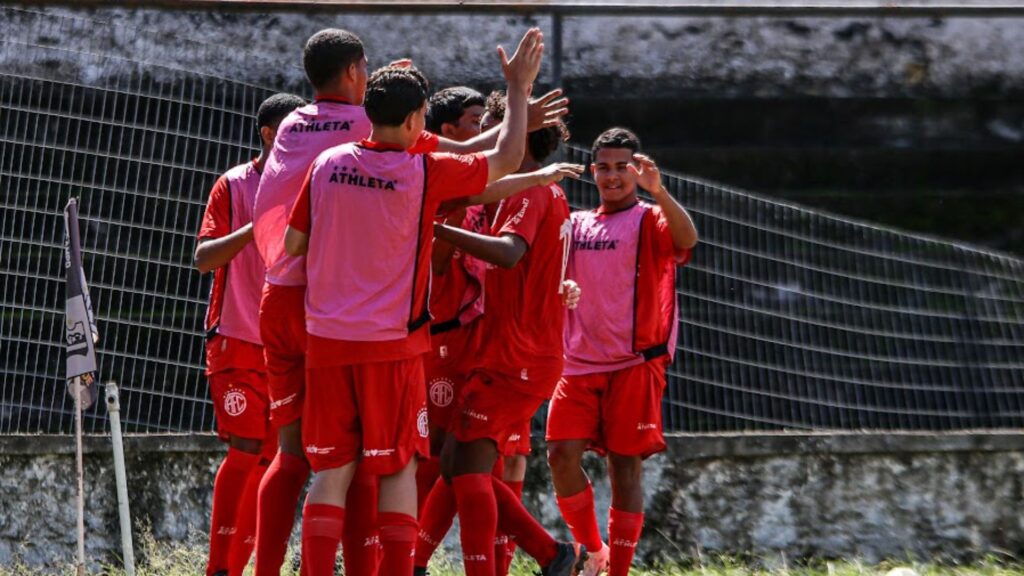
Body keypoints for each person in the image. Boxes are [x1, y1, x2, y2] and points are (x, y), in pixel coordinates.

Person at [282, 27, 552, 576]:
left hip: (326, 340)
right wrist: (518, 89)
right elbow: (504, 158)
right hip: (392, 346)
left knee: (331, 471)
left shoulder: (327, 164)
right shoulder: (422, 171)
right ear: (415, 122)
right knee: (399, 466)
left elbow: (293, 245)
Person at [415, 90, 583, 576]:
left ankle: (548, 553)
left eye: (495, 124)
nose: (488, 135)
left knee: (467, 467)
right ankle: (549, 554)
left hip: (518, 356)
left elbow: (509, 252)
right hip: (514, 351)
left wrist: (437, 228)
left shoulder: (527, 190)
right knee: (457, 462)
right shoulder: (537, 188)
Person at [546, 127, 698, 576]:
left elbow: (687, 240)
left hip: (635, 363)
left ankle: (619, 571)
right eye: (604, 168)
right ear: (593, 171)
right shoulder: (575, 224)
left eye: (622, 168)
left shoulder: (651, 218)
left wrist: (660, 191)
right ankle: (594, 552)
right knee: (558, 455)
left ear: (637, 171)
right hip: (577, 363)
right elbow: (552, 282)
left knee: (624, 470)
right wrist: (563, 289)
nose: (612, 177)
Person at [194, 92, 305, 576]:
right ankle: (219, 568)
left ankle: (245, 567)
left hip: (287, 344)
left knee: (271, 458)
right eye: (294, 129)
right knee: (244, 450)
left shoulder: (310, 184)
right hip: (236, 338)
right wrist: (253, 228)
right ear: (268, 134)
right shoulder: (233, 185)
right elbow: (204, 259)